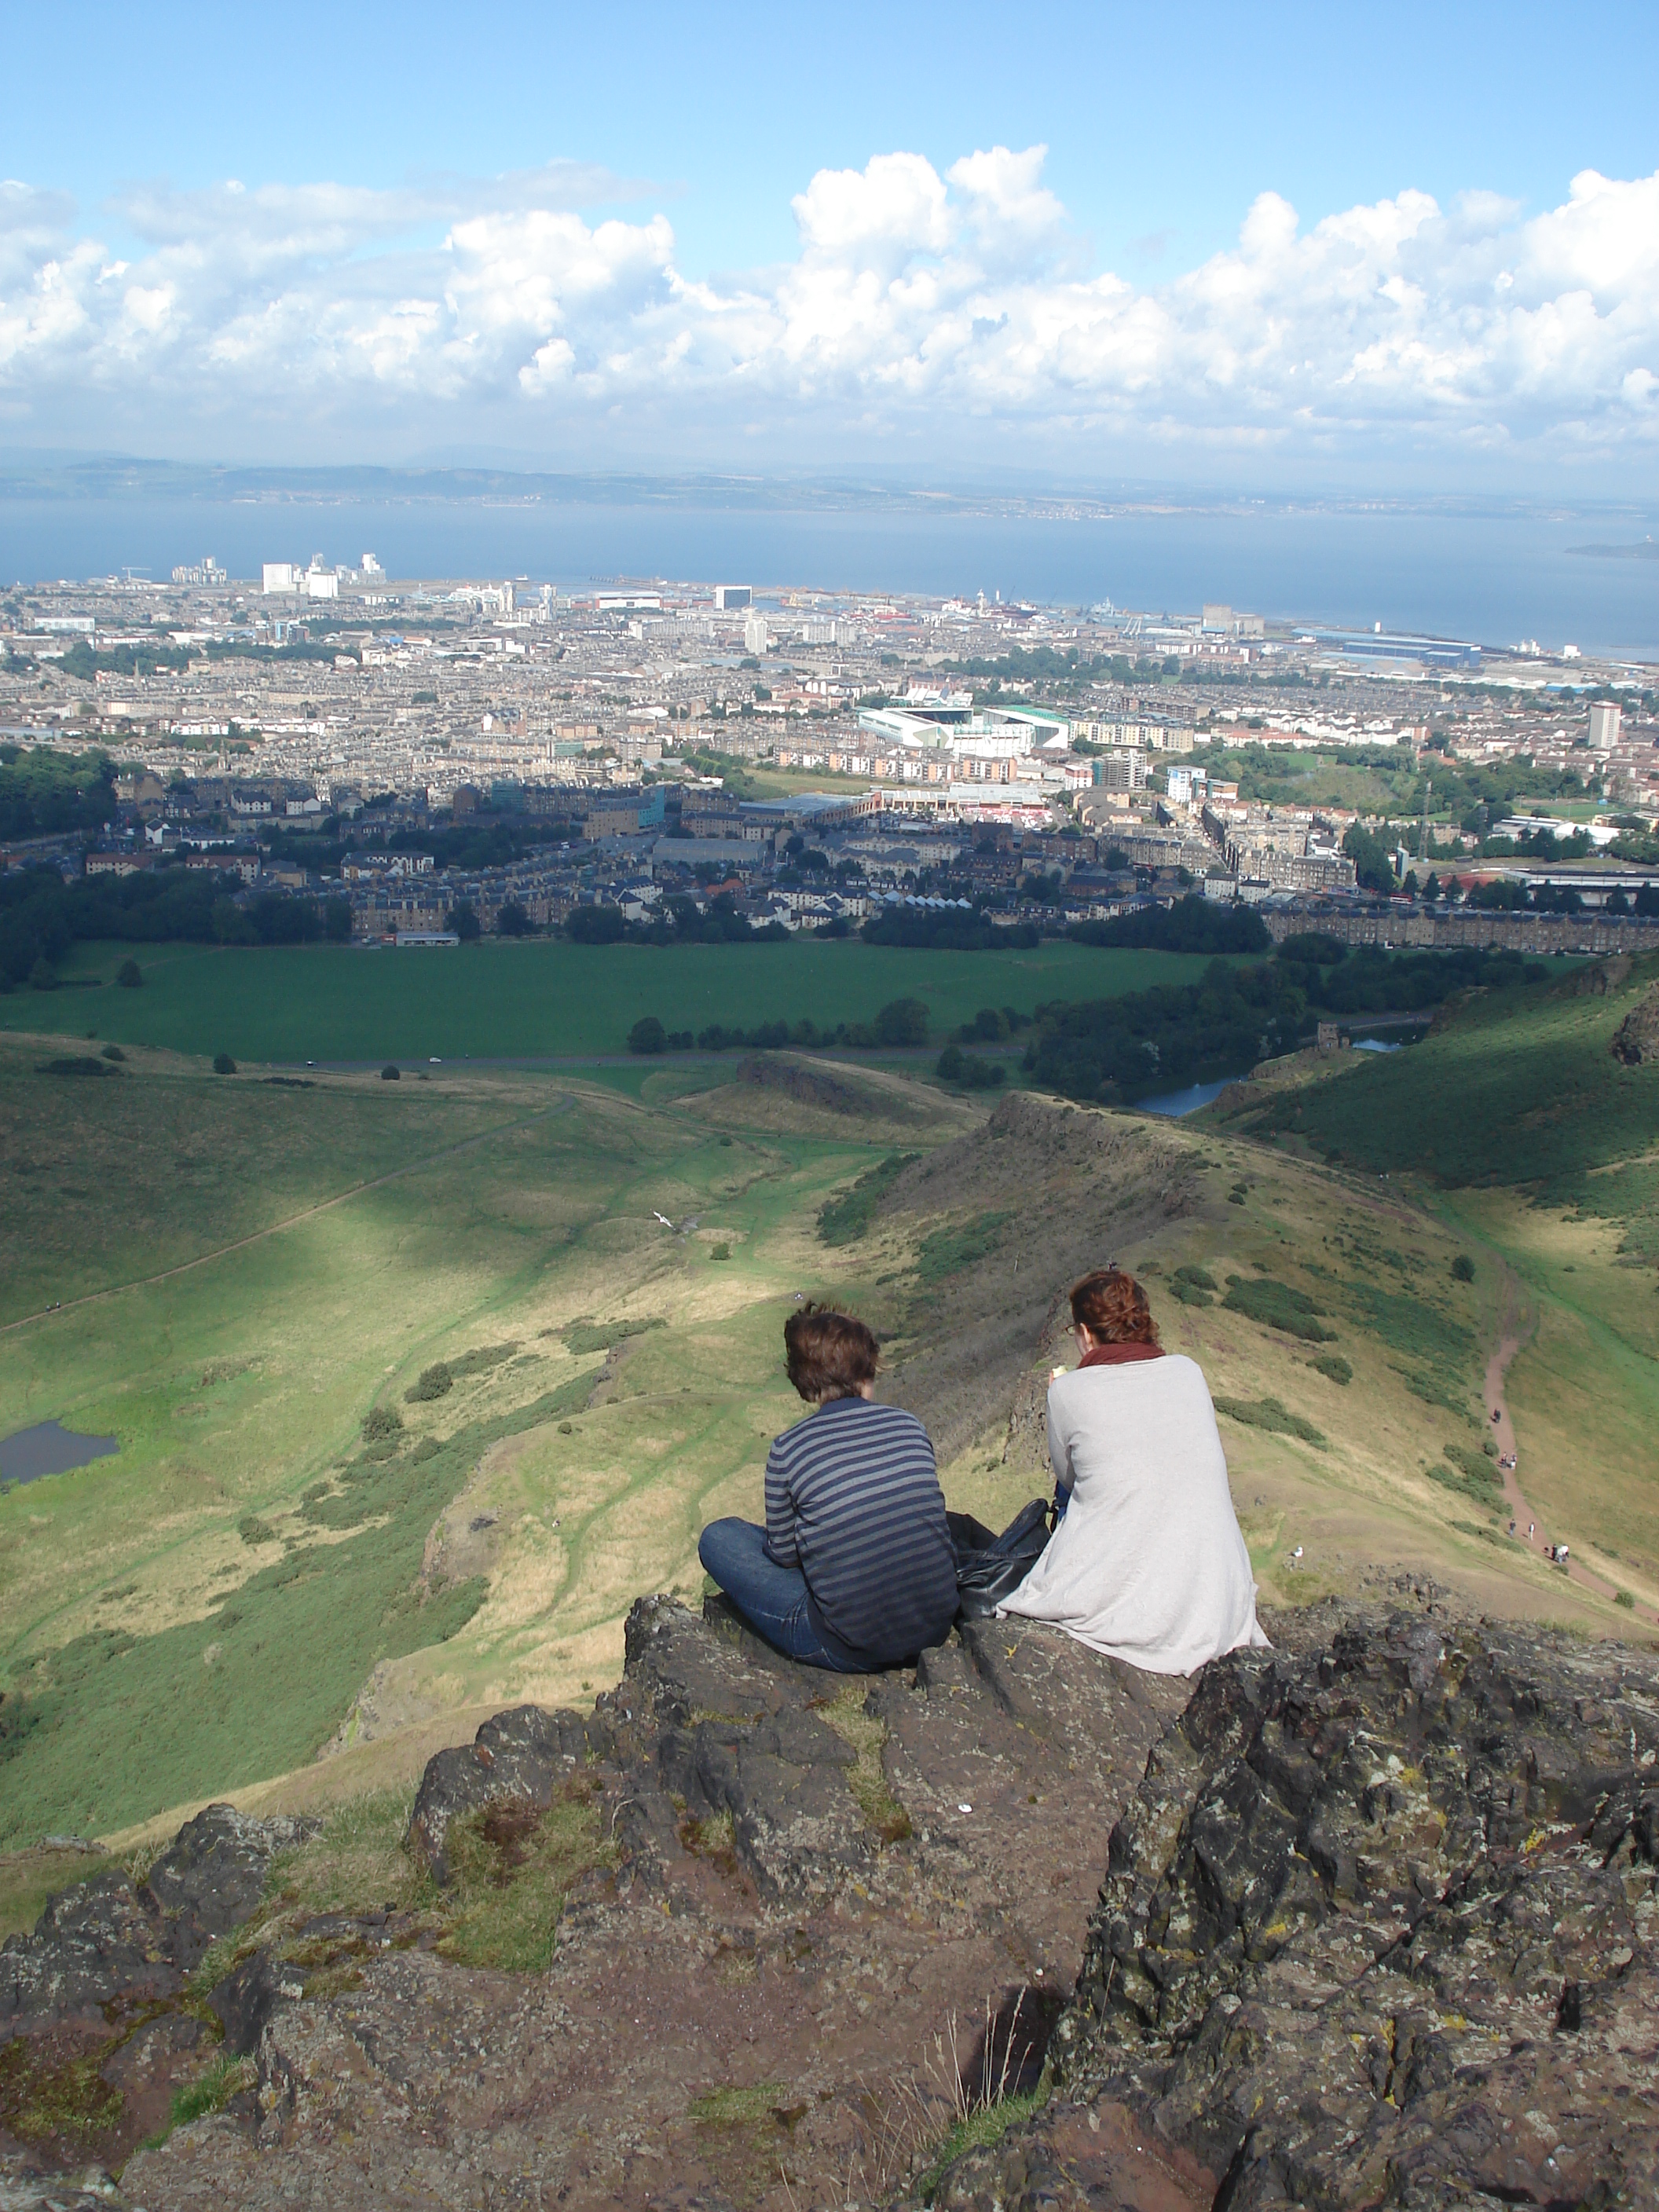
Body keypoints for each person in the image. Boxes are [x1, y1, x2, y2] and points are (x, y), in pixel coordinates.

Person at [999, 1267, 1269, 1675]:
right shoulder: (1188, 1371)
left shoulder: (1069, 1391)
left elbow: (1068, 1479)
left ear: (1087, 1334)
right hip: (1218, 1592)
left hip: (1130, 1594)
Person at [698, 1303, 958, 1672]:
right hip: (934, 1628)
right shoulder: (909, 1425)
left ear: (805, 1385)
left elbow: (784, 1556)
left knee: (719, 1537)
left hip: (850, 1646)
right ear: (868, 1371)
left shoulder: (788, 1449)